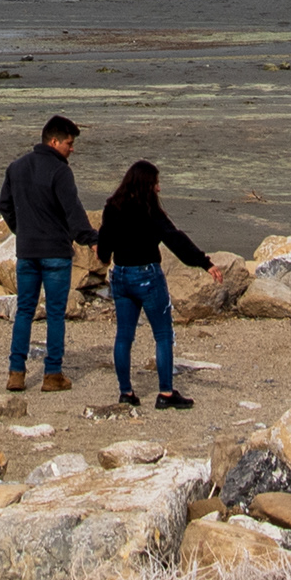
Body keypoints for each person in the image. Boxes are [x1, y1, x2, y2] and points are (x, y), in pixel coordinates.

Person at [95, 159, 209, 409]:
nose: (159, 188)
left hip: (121, 276)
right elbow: (174, 239)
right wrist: (204, 262)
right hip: (147, 276)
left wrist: (103, 257)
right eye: (156, 183)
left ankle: (126, 392)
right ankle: (166, 393)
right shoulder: (150, 211)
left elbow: (105, 240)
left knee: (124, 336)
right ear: (147, 184)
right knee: (163, 335)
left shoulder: (112, 208)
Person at [0, 113, 92, 392]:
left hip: (27, 252)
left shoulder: (16, 167)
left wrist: (22, 231)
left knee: (25, 311)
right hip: (55, 253)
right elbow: (72, 210)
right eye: (69, 144)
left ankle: (16, 372)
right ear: (54, 141)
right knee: (54, 313)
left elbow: (5, 206)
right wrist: (91, 238)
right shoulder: (60, 170)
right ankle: (52, 373)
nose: (71, 149)